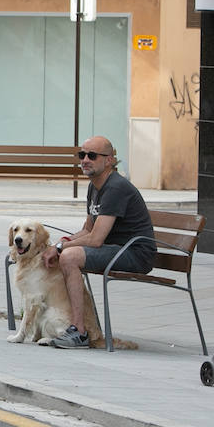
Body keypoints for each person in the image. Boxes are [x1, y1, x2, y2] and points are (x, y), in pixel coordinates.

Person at [42, 135, 156, 348]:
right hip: (115, 249)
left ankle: (79, 332)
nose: (85, 159)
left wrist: (60, 248)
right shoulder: (95, 186)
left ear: (109, 160)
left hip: (135, 253)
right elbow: (87, 229)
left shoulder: (115, 187)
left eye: (92, 155)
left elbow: (95, 239)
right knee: (65, 253)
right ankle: (61, 323)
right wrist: (62, 241)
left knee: (69, 257)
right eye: (82, 154)